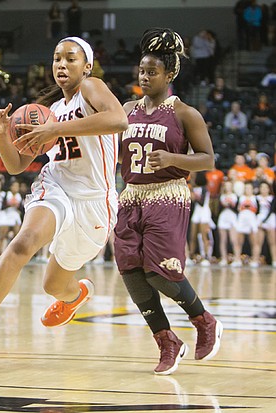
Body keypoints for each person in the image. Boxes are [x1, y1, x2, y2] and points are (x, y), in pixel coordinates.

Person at [0, 36, 127, 366]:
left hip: (95, 203)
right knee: (23, 242)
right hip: (57, 186)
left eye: (70, 59)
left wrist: (54, 131)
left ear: (86, 66)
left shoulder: (91, 88)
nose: (61, 64)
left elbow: (118, 120)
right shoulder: (50, 112)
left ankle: (75, 296)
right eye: (57, 58)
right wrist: (2, 134)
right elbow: (15, 166)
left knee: (54, 285)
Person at [113, 28, 223, 376]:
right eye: (141, 71)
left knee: (160, 274)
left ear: (170, 74)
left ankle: (203, 320)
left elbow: (207, 159)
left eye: (152, 72)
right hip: (130, 196)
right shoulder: (126, 110)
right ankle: (166, 341)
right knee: (131, 272)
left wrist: (174, 160)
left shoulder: (185, 113)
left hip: (167, 195)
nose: (144, 77)